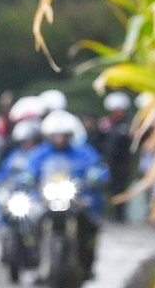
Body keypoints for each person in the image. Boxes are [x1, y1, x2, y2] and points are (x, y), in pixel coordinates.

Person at [17, 108, 108, 269]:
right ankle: (32, 259)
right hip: (46, 199)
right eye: (56, 135)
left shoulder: (82, 151)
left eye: (63, 135)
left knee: (91, 224)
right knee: (27, 223)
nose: (59, 138)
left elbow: (97, 167)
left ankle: (87, 260)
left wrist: (96, 175)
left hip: (75, 198)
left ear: (69, 135)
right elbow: (28, 169)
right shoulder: (40, 153)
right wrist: (26, 177)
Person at [94, 90, 137, 220]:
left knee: (120, 188)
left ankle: (120, 214)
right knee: (104, 186)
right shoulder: (105, 124)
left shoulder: (130, 124)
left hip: (123, 163)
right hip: (107, 162)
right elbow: (97, 142)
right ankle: (104, 213)